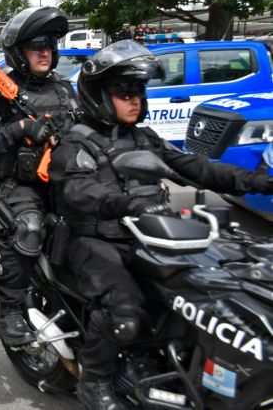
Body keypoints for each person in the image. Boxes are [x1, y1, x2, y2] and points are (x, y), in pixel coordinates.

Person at [49, 40, 273, 410]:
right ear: (99, 95)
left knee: (210, 289)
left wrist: (256, 182)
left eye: (138, 90)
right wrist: (122, 202)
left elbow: (195, 167)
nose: (135, 99)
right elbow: (78, 192)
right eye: (124, 92)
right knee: (124, 308)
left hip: (149, 232)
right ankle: (95, 381)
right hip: (93, 239)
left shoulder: (144, 137)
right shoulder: (77, 143)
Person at [0, 6, 78, 346]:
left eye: (49, 45)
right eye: (36, 45)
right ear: (18, 52)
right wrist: (19, 128)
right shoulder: (0, 92)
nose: (45, 52)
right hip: (16, 185)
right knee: (30, 227)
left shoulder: (64, 89)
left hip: (63, 181)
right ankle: (10, 307)